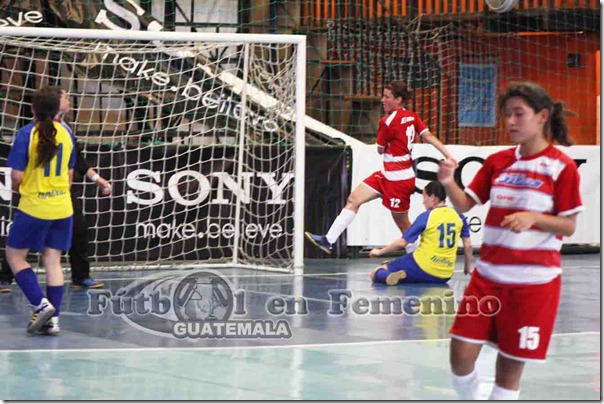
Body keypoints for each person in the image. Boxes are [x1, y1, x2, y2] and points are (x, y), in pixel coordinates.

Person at [437, 82, 583, 400]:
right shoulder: (498, 161)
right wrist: (448, 182)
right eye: (507, 114)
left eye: (519, 114)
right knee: (460, 356)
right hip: (487, 277)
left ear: (542, 116)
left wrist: (534, 219)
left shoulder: (562, 167)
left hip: (533, 284)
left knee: (508, 371)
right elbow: (465, 204)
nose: (511, 122)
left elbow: (568, 226)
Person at [305, 80, 456, 254]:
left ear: (398, 100)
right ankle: (328, 240)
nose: (382, 100)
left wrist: (387, 142)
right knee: (354, 199)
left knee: (403, 223)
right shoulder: (413, 116)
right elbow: (428, 136)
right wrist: (448, 155)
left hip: (399, 180)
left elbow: (379, 149)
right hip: (387, 174)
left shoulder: (387, 121)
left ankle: (417, 256)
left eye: (387, 97)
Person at [0, 91, 111, 294]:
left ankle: (75, 280)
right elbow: (70, 170)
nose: (68, 99)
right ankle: (50, 313)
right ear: (54, 104)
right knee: (51, 259)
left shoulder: (49, 131)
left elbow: (77, 163)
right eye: (64, 96)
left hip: (44, 197)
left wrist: (96, 178)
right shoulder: (49, 133)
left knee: (21, 250)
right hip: (55, 198)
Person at [5, 85, 77, 335]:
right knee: (52, 259)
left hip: (35, 206)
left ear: (34, 108)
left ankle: (40, 303)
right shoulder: (67, 134)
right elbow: (69, 175)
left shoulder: (27, 134)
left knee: (15, 256)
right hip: (63, 207)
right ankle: (53, 319)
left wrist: (27, 189)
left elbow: (16, 176)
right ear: (57, 107)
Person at [368, 181, 472, 285]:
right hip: (444, 275)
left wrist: (380, 252)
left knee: (376, 272)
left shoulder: (427, 216)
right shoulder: (459, 216)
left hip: (422, 266)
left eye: (424, 198)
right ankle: (401, 274)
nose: (423, 202)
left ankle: (388, 275)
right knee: (408, 269)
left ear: (432, 198)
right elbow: (468, 245)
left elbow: (402, 243)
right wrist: (467, 268)